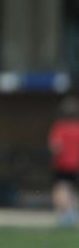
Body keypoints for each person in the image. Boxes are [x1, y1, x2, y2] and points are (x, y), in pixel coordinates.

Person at [48, 97, 79, 227]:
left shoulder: (60, 128)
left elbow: (55, 146)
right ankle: (73, 212)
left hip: (62, 164)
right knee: (72, 189)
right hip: (76, 164)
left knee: (61, 189)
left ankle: (65, 214)